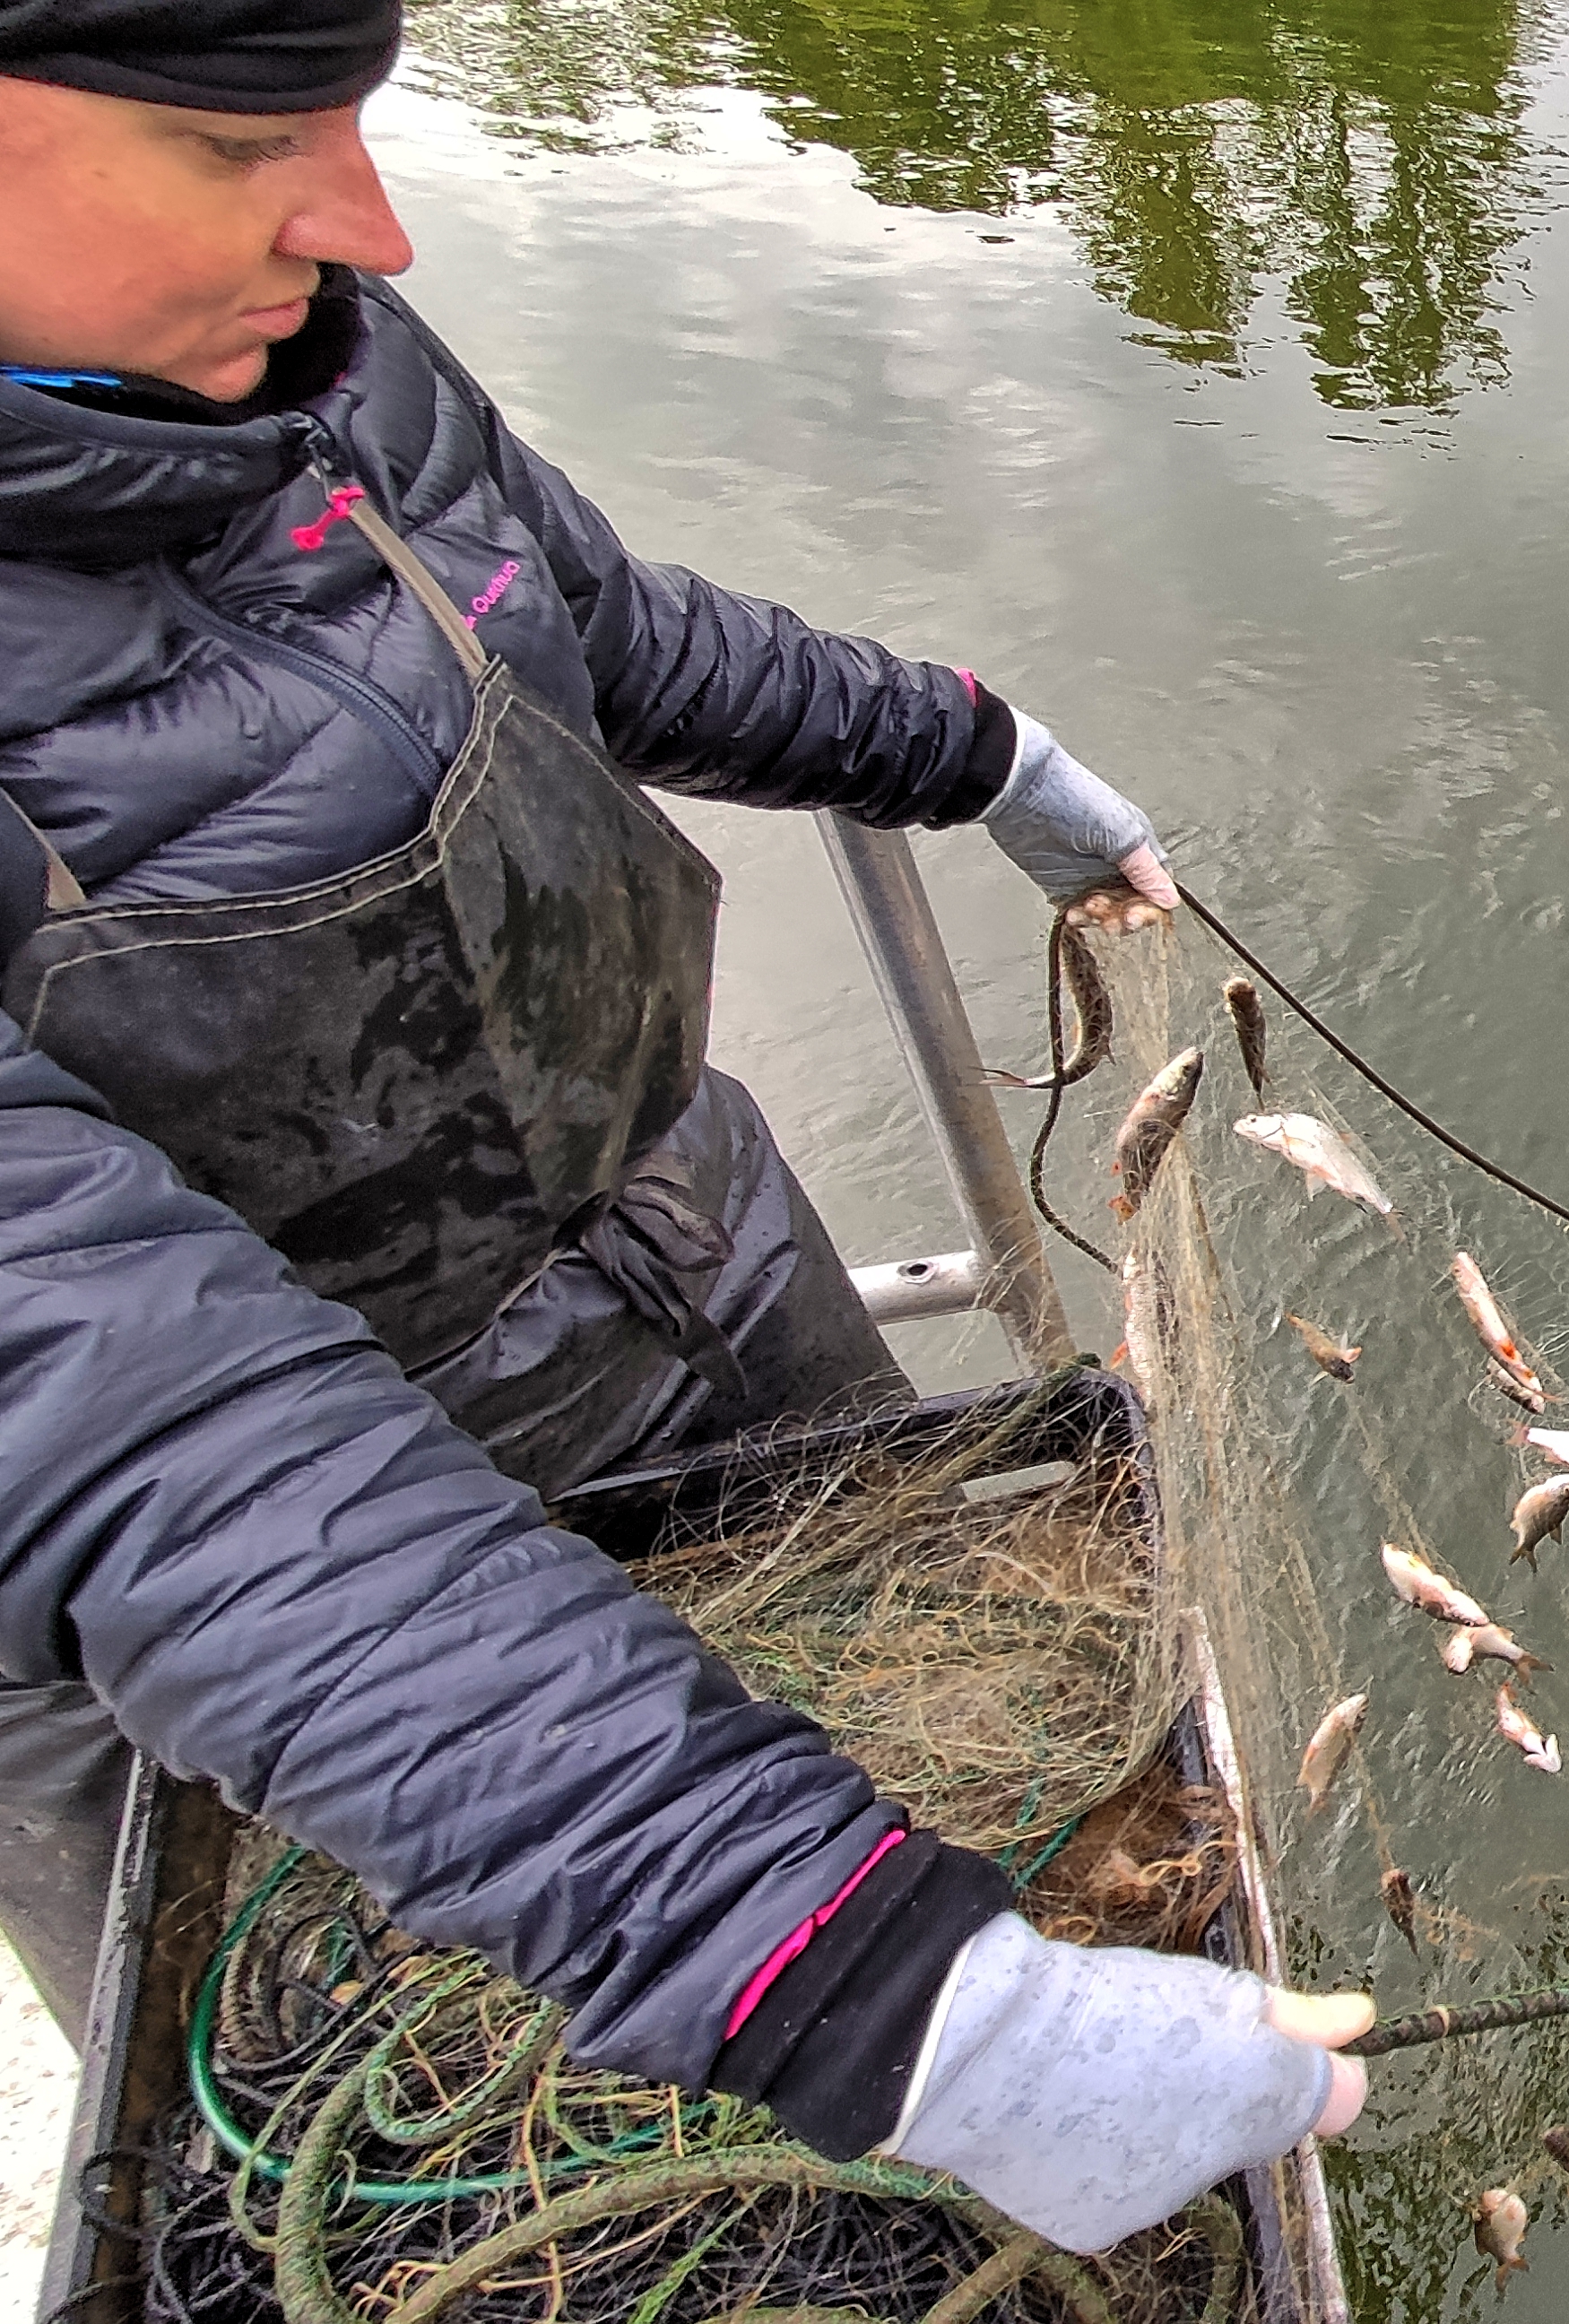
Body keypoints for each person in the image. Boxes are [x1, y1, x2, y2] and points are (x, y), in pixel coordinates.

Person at [0, 0, 1367, 2253]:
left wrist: (971, 748)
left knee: (1001, 1804)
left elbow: (595, 628)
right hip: (234, 1654)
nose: (369, 220)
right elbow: (135, 1435)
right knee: (523, 2180)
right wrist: (843, 1978)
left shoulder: (317, 347)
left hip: (690, 1269)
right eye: (235, 142)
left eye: (355, 115)